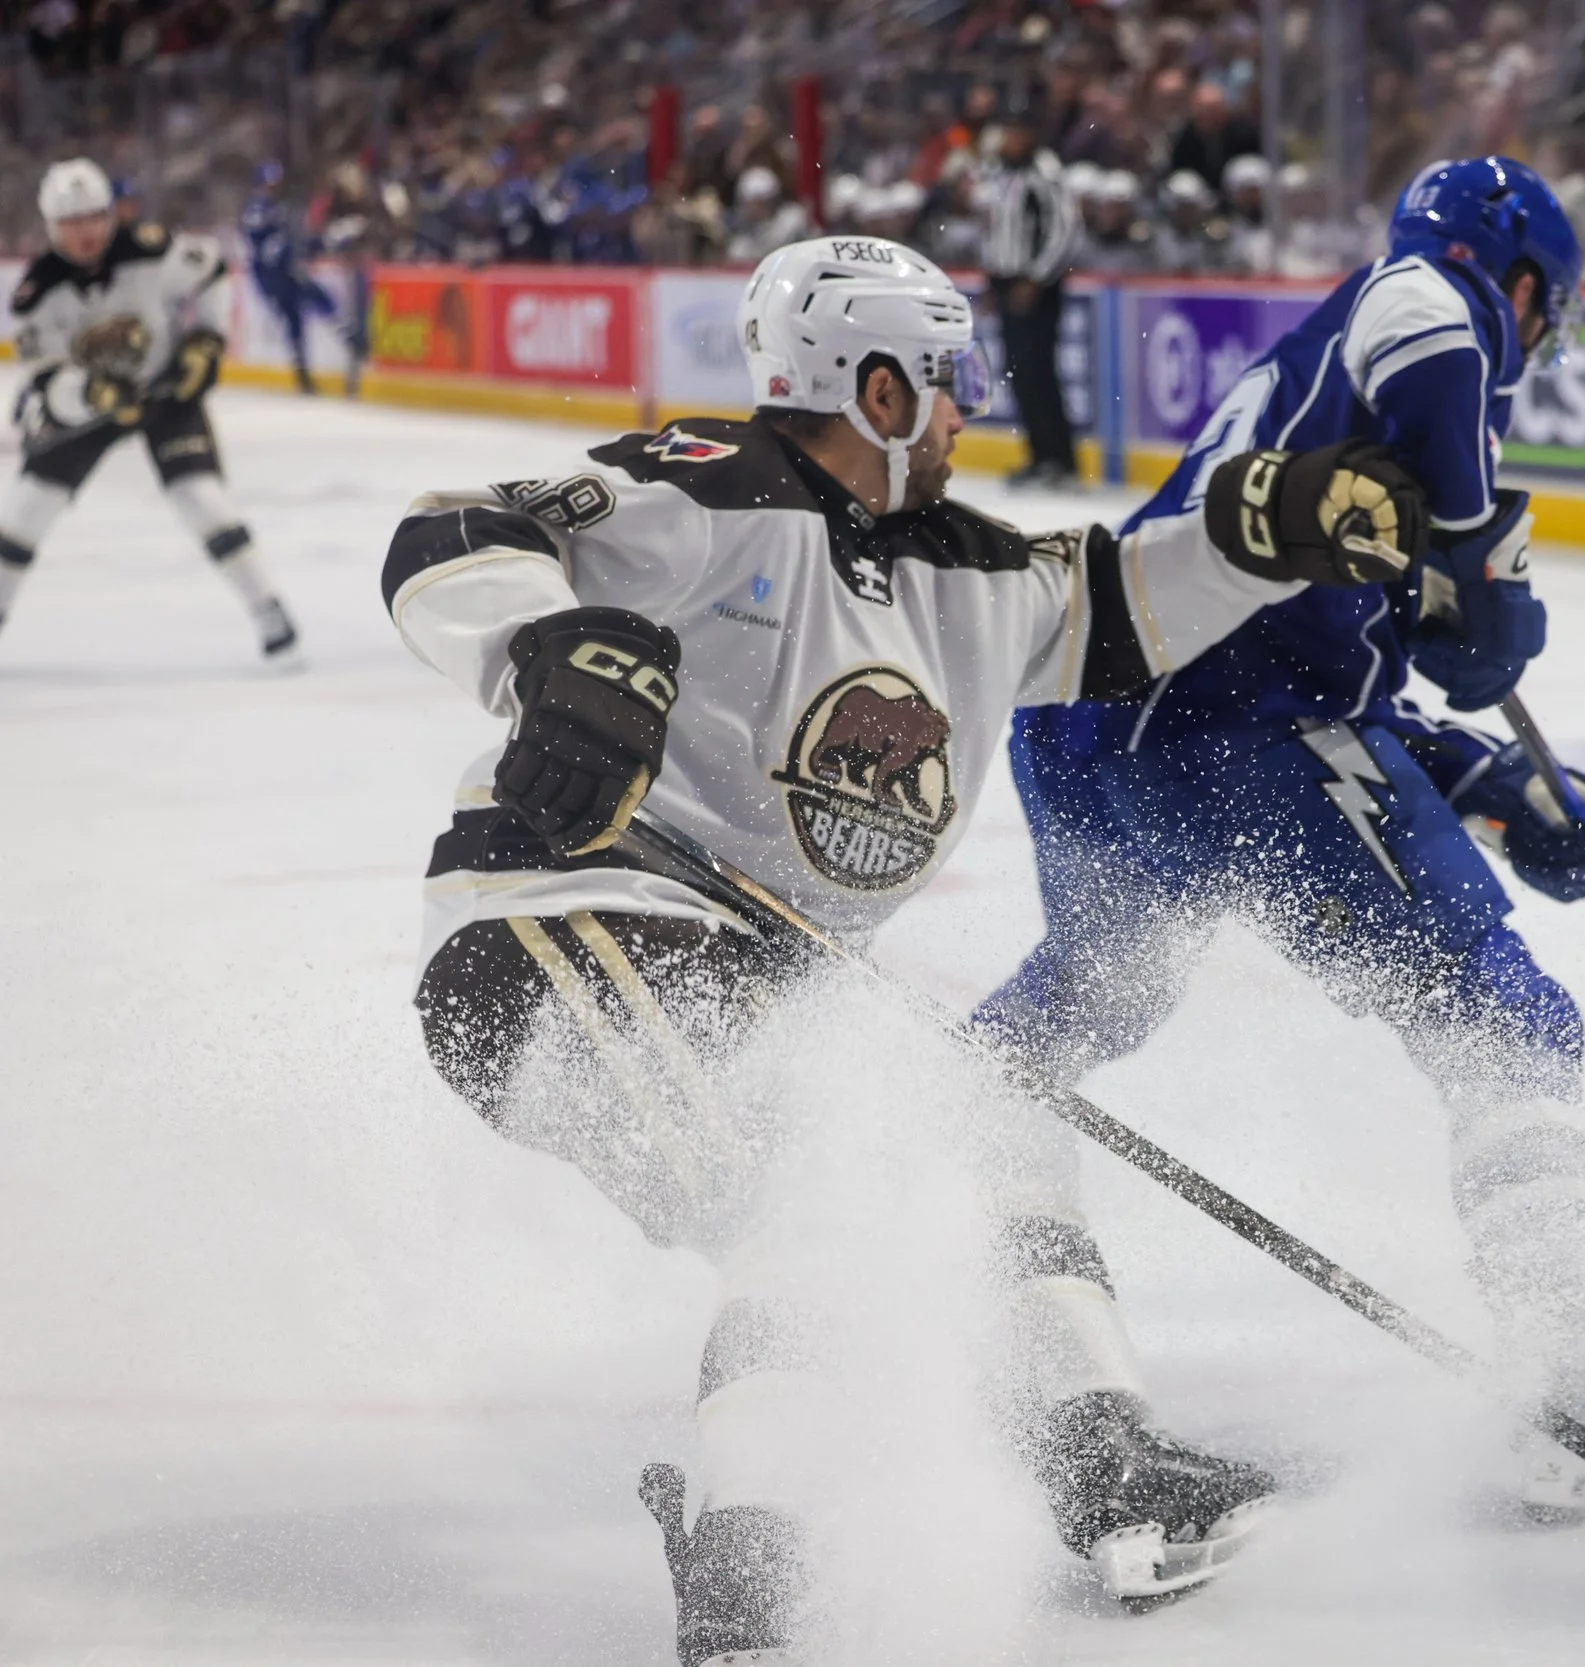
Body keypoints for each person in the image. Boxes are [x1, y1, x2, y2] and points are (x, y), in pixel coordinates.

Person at [383, 235, 1424, 1663]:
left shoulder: (962, 570)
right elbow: (450, 537)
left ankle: (1107, 1461)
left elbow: (1122, 607)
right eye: (943, 382)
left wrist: (1273, 521)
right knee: (806, 1192)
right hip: (556, 926)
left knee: (987, 1128)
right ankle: (755, 1564)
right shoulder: (708, 487)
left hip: (756, 971)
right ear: (872, 385)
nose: (962, 410)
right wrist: (555, 652)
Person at [975, 158, 1585, 1518]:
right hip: (1227, 729)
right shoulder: (1427, 303)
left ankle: (962, 1259)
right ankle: (1570, 1392)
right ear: (1520, 280)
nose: (1534, 340)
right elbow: (1431, 330)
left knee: (1058, 1027)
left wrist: (1510, 795)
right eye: (1542, 312)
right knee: (1500, 1019)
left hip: (1100, 722)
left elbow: (1357, 687)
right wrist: (1474, 545)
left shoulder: (1327, 376)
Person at [3, 157, 298, 661]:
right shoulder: (35, 295)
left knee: (201, 497)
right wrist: (88, 395)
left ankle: (267, 608)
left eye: (94, 216)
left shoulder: (152, 249)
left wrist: (205, 342)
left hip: (163, 392)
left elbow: (211, 272)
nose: (86, 231)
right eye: (72, 222)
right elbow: (44, 380)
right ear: (52, 226)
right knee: (27, 512)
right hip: (88, 408)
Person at [981, 111, 1082, 489]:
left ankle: (1059, 457)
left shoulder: (1046, 175)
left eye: (1014, 133)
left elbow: (1065, 229)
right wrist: (994, 281)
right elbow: (996, 231)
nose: (1008, 141)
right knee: (1019, 371)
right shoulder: (1003, 174)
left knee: (1039, 370)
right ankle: (1039, 454)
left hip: (1037, 287)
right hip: (1010, 283)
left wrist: (1037, 278)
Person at [240, 160, 342, 396]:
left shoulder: (275, 207)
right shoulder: (259, 208)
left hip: (282, 273)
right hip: (273, 276)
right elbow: (267, 245)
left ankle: (306, 371)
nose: (273, 187)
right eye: (270, 183)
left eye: (276, 183)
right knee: (305, 306)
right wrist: (301, 248)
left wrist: (310, 246)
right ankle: (347, 337)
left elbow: (288, 241)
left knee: (298, 318)